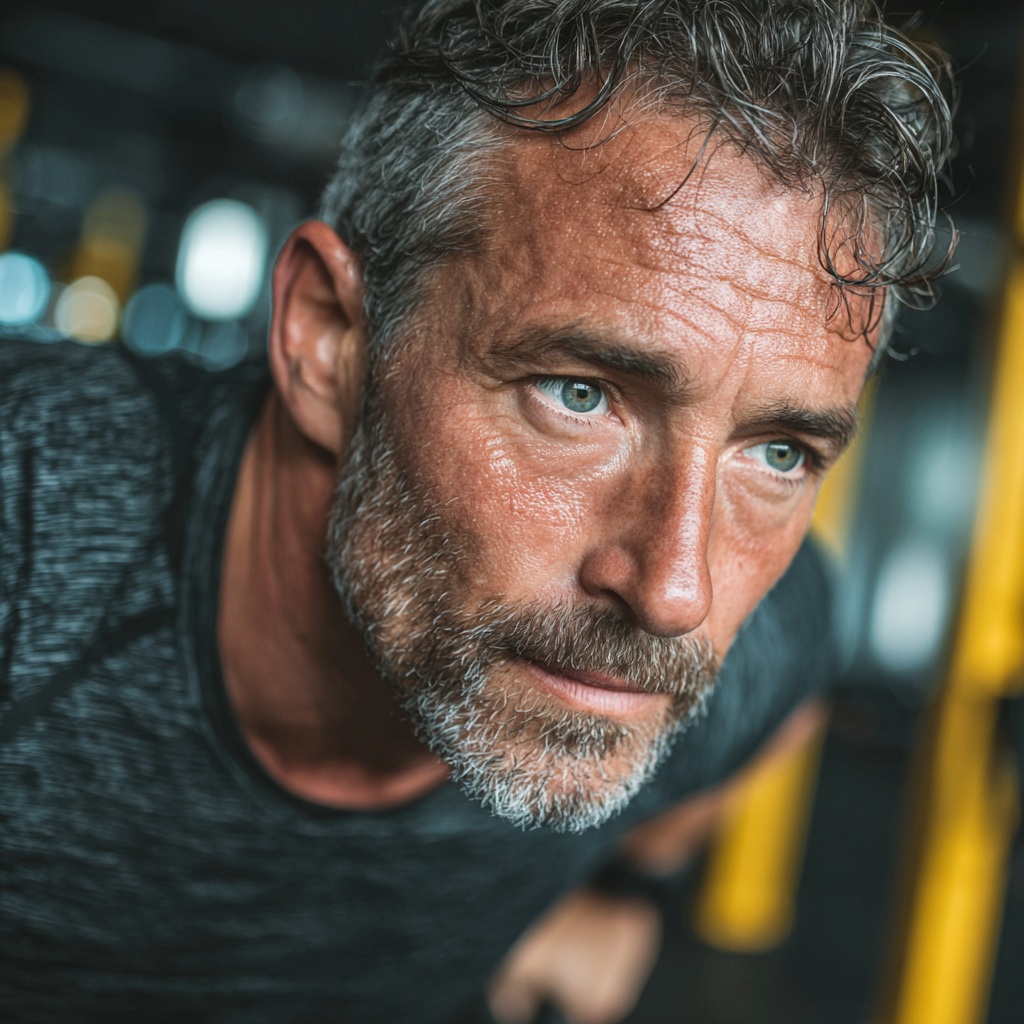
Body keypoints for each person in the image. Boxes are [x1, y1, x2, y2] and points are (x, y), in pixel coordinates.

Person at [0, 1, 954, 1021]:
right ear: (329, 340)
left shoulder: (745, 632)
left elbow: (791, 676)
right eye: (577, 394)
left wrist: (623, 888)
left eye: (776, 452)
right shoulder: (34, 538)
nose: (677, 589)